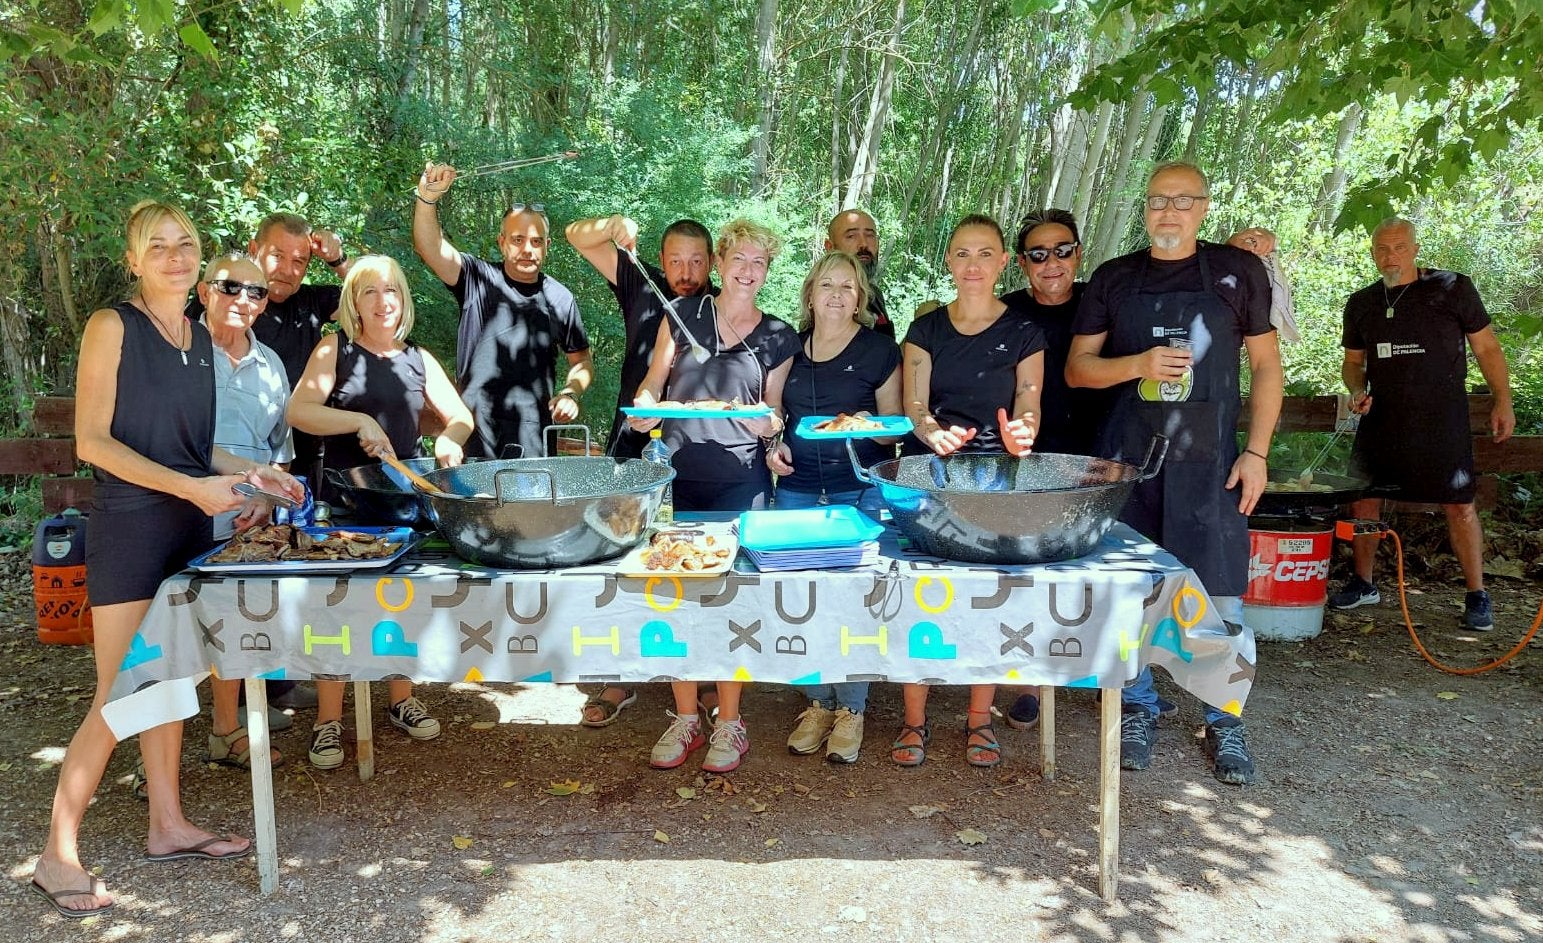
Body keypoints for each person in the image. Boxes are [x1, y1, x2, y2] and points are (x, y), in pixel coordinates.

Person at [30, 201, 303, 918]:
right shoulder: (111, 327)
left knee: (171, 681)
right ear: (133, 259)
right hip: (130, 529)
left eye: (186, 244)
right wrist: (194, 486)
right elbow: (93, 441)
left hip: (187, 528)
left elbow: (196, 448)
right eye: (158, 246)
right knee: (121, 692)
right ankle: (56, 852)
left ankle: (167, 824)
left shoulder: (198, 339)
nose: (175, 255)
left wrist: (255, 474)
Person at [1066, 161, 1283, 786]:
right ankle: (1137, 707)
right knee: (1129, 593)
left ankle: (1225, 717)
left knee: (1220, 599)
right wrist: (1137, 363)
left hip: (1213, 462)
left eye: (1183, 201)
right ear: (1145, 209)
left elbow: (1267, 367)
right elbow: (1080, 369)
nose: (1170, 211)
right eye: (1159, 200)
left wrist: (1258, 452)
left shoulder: (1238, 272)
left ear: (1204, 208)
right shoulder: (1114, 277)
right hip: (1128, 463)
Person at [287, 255, 474, 769]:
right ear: (354, 301)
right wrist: (358, 421)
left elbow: (459, 417)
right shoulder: (336, 349)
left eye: (391, 290)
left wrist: (450, 442)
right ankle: (328, 722)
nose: (382, 300)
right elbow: (299, 411)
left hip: (403, 503)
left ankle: (401, 700)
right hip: (345, 506)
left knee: (401, 603)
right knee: (336, 608)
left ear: (403, 299)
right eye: (370, 291)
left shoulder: (418, 358)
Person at [629, 219, 798, 774]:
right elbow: (655, 382)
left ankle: (730, 720)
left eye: (760, 263)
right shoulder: (682, 315)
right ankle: (683, 717)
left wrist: (768, 428)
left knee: (731, 602)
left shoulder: (777, 335)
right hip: (677, 476)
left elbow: (773, 412)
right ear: (720, 263)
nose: (748, 271)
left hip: (740, 482)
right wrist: (646, 406)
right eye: (739, 260)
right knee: (676, 596)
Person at [892, 214, 1044, 769]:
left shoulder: (1026, 332)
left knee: (991, 598)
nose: (972, 265)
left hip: (999, 480)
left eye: (984, 254)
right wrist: (930, 431)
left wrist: (1022, 431)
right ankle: (914, 721)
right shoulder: (926, 329)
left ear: (1004, 262)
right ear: (949, 262)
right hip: (932, 477)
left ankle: (979, 721)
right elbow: (914, 405)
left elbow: (1030, 400)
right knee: (920, 596)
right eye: (961, 254)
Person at [1328, 217, 1514, 631]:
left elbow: (1486, 347)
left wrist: (1503, 399)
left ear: (1414, 248)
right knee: (1364, 499)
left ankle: (1477, 594)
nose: (1389, 256)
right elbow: (1353, 363)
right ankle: (1363, 582)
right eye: (1381, 248)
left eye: (1398, 247)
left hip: (1442, 415)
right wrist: (1357, 390)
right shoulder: (1361, 302)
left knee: (1460, 504)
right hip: (1383, 416)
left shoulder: (1452, 288)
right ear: (1372, 252)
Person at [769, 251, 901, 764]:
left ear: (860, 298)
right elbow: (775, 416)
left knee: (853, 603)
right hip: (798, 489)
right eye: (828, 284)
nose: (837, 295)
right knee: (802, 600)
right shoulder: (789, 351)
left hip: (858, 490)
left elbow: (894, 425)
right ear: (810, 293)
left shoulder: (878, 350)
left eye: (849, 287)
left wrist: (867, 424)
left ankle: (852, 709)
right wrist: (771, 449)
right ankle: (817, 702)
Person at [413, 163, 594, 460]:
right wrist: (427, 198)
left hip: (534, 437)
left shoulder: (560, 298)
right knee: (477, 507)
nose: (527, 249)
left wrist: (571, 391)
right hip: (472, 430)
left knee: (530, 508)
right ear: (502, 242)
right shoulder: (476, 277)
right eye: (517, 240)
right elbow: (430, 247)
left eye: (536, 242)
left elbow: (582, 359)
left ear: (547, 246)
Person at [201, 251, 295, 770]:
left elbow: (279, 452)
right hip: (179, 512)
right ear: (203, 291)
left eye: (255, 292)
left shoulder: (272, 366)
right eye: (230, 287)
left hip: (248, 521)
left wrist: (264, 498)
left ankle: (226, 730)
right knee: (169, 630)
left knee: (239, 620)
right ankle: (154, 758)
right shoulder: (180, 352)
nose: (243, 299)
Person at [566, 213, 717, 460]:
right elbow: (575, 236)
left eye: (697, 262)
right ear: (662, 259)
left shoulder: (722, 306)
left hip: (698, 448)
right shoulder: (643, 285)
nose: (686, 274)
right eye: (675, 261)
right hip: (632, 441)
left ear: (711, 261)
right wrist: (611, 225)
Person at [825, 209, 894, 337]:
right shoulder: (826, 297)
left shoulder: (875, 294)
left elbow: (889, 356)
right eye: (851, 236)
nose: (863, 244)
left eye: (870, 236)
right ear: (830, 247)